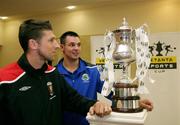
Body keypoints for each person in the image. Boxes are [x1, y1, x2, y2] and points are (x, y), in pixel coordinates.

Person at [0, 19, 112, 125]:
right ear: (33, 44)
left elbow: (74, 100)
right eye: (51, 40)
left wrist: (95, 104)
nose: (57, 45)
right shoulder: (5, 80)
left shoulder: (53, 74)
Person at [56, 31, 153, 125]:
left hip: (88, 122)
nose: (76, 48)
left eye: (79, 45)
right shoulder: (54, 73)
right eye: (72, 45)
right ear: (62, 47)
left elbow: (112, 94)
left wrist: (134, 102)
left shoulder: (93, 71)